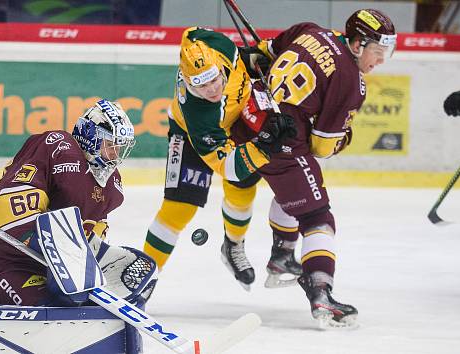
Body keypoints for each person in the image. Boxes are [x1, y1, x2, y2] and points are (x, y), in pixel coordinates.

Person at [248, 9, 398, 327]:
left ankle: (281, 257)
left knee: (295, 191)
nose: (381, 60)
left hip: (248, 124)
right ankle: (321, 295)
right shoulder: (351, 82)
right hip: (282, 145)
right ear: (357, 44)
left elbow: (263, 53)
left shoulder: (310, 30)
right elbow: (322, 147)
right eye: (378, 51)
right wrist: (342, 138)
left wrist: (260, 59)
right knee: (318, 216)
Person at [142, 26, 301, 293]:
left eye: (214, 79)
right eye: (201, 85)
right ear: (188, 81)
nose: (212, 89)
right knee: (178, 208)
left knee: (243, 191)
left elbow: (192, 32)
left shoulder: (218, 45)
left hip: (240, 119)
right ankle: (142, 279)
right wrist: (264, 146)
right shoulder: (198, 114)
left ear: (219, 65)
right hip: (191, 135)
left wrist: (252, 57)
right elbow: (228, 167)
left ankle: (233, 245)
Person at [0, 99, 155, 307]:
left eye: (119, 148)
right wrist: (56, 246)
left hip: (47, 271)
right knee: (53, 306)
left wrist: (97, 260)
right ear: (90, 135)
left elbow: (86, 242)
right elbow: (3, 211)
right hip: (0, 262)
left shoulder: (110, 187)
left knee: (88, 303)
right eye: (110, 145)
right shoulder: (56, 147)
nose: (114, 155)